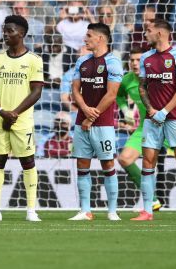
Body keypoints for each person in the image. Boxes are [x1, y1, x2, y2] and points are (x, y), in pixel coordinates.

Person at [131, 19, 176, 222]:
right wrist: (152, 110)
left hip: (175, 118)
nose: (146, 34)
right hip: (152, 119)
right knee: (147, 162)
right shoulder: (146, 58)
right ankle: (147, 211)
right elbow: (142, 87)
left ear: (160, 33)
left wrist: (164, 111)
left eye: (149, 30)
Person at [0, 14, 43, 222]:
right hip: (1, 119)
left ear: (22, 34)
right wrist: (2, 112)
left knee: (28, 161)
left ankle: (31, 210)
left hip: (22, 121)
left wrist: (15, 113)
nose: (6, 34)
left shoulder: (34, 60)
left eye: (10, 31)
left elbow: (36, 92)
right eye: (4, 31)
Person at [66, 23, 123, 221]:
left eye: (89, 35)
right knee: (82, 163)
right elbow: (74, 90)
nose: (85, 39)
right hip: (82, 121)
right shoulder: (82, 61)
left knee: (107, 163)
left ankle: (112, 211)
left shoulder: (113, 62)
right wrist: (84, 110)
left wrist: (92, 116)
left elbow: (112, 94)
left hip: (103, 123)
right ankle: (85, 210)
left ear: (100, 38)